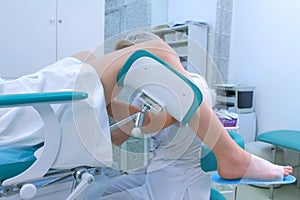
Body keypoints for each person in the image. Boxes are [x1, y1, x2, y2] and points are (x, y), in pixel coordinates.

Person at [0, 30, 292, 199]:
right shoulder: (174, 94)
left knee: (88, 59)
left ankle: (232, 158)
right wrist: (118, 113)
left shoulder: (185, 91)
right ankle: (233, 157)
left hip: (174, 187)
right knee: (88, 59)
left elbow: (147, 123)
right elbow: (128, 129)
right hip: (157, 176)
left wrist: (121, 112)